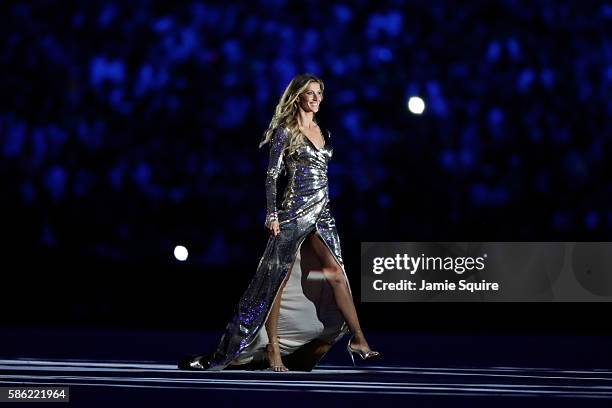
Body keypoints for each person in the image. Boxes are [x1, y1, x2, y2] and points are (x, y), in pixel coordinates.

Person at [179, 73, 381, 372]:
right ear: (298, 96)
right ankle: (272, 348)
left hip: (322, 212)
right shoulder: (285, 132)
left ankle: (359, 338)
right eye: (310, 93)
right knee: (278, 282)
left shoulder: (324, 132)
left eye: (320, 94)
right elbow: (272, 176)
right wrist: (272, 214)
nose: (316, 99)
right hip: (293, 212)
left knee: (336, 274)